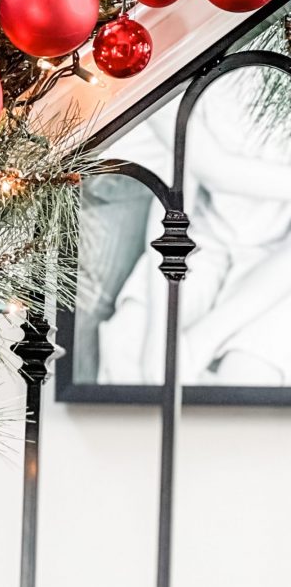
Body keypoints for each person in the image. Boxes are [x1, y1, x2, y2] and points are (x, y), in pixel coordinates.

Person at [98, 71, 291, 388]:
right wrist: (158, 339)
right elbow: (176, 196)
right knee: (127, 350)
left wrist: (202, 339)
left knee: (249, 376)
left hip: (277, 263)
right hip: (201, 240)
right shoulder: (185, 64)